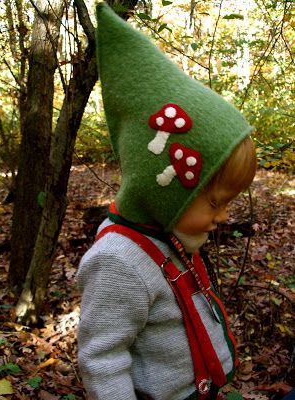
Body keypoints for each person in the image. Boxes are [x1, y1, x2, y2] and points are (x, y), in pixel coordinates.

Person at [77, 3, 257, 400]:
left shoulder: (165, 232)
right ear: (168, 188)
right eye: (214, 202)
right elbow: (102, 359)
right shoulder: (118, 262)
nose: (224, 217)